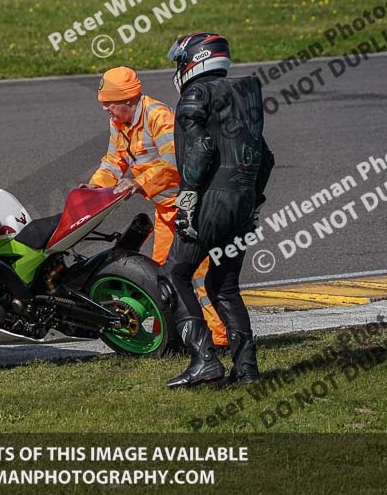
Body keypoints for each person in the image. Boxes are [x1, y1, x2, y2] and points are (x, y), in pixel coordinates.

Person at [83, 66, 228, 348]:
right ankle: (172, 337)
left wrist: (138, 183)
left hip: (189, 209)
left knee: (200, 277)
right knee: (160, 277)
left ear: (128, 100)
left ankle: (221, 340)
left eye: (109, 102)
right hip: (165, 210)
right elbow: (114, 160)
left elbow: (175, 163)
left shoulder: (158, 118)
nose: (105, 109)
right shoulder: (121, 122)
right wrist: (94, 188)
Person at [163, 32, 275, 389]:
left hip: (211, 201)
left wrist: (189, 198)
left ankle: (204, 360)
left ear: (194, 60)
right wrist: (253, 198)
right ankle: (246, 370)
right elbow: (266, 158)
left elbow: (201, 149)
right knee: (223, 285)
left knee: (174, 275)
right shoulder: (245, 95)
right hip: (242, 202)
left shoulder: (194, 96)